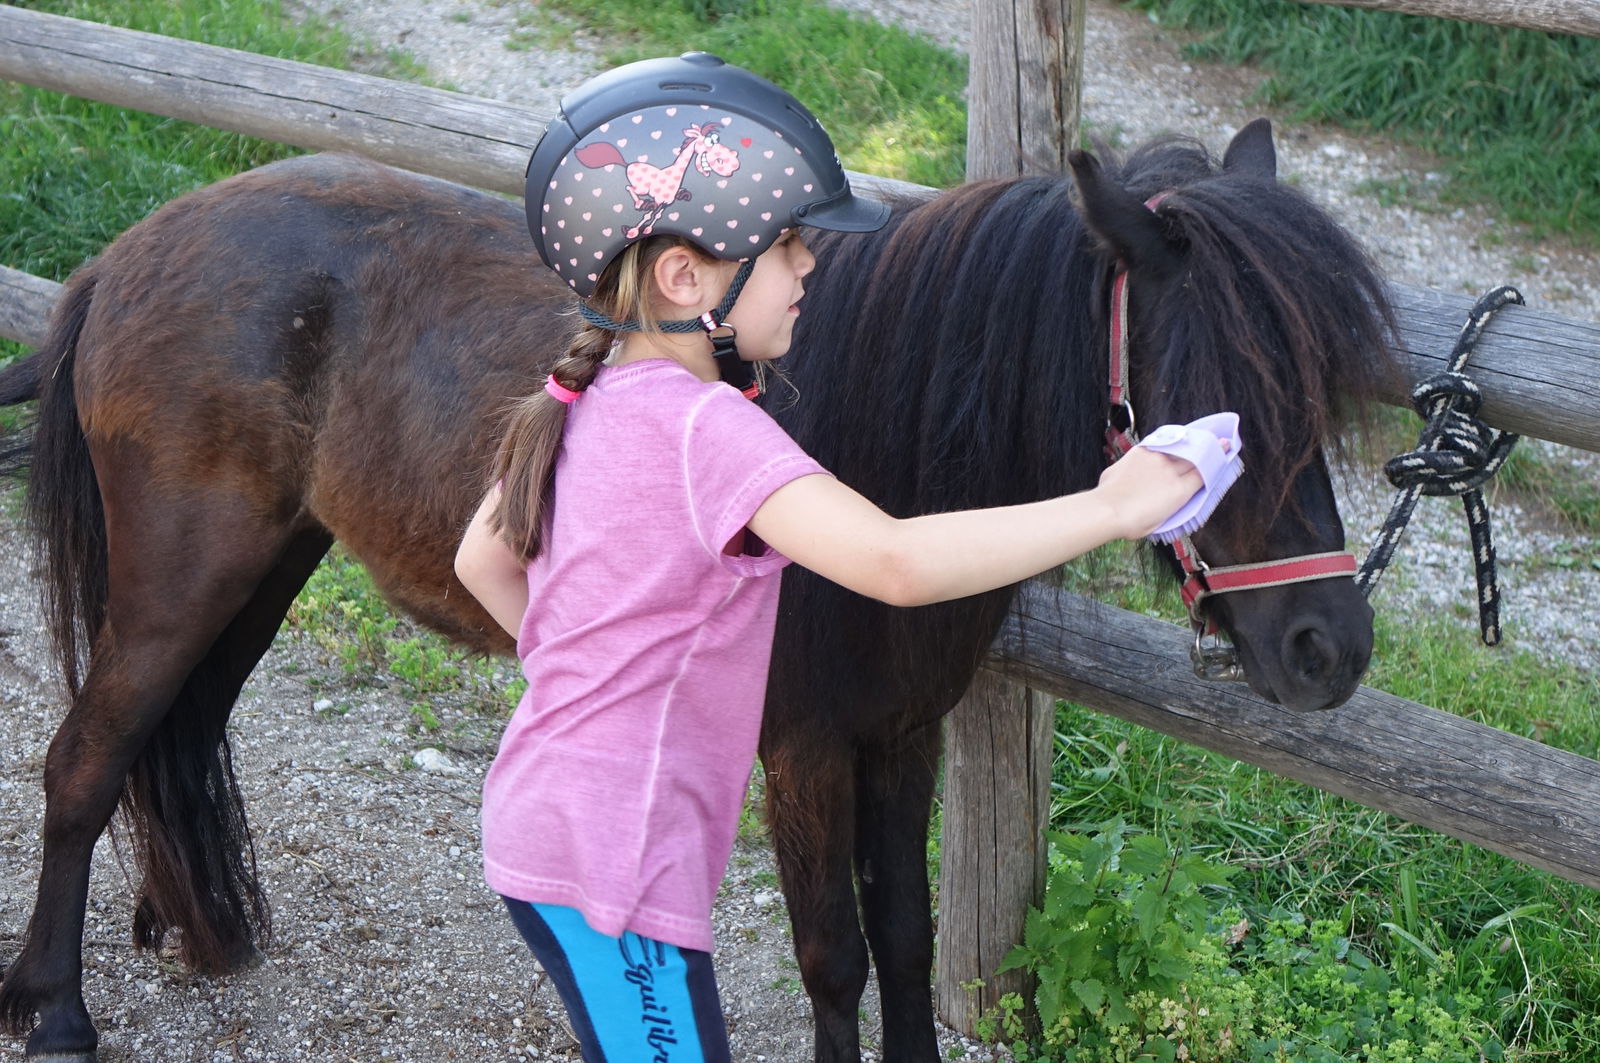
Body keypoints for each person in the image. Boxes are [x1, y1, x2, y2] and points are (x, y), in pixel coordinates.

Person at [454, 52, 1223, 1062]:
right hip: (617, 864)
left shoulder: (588, 398)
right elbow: (893, 561)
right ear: (686, 279)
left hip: (561, 826)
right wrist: (1113, 505)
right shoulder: (708, 431)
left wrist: (595, 684)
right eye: (785, 246)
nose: (811, 266)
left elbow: (482, 562)